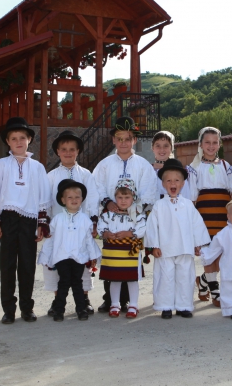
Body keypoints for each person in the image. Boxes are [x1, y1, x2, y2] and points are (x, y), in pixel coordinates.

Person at [0, 117, 51, 324]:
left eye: (22, 138)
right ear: (7, 142)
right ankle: (8, 310)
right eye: (14, 138)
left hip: (29, 220)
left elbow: (43, 197)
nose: (19, 142)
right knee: (7, 265)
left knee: (27, 265)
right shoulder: (0, 165)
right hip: (8, 219)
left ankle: (27, 308)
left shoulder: (37, 167)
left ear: (29, 140)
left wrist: (41, 224)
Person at [92, 116, 159, 313]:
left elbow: (149, 191)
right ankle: (109, 300)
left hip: (132, 221)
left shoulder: (143, 165)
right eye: (119, 138)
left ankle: (128, 300)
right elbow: (97, 187)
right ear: (113, 140)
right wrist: (108, 202)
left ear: (134, 140)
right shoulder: (104, 164)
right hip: (112, 218)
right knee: (112, 259)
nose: (123, 143)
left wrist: (134, 208)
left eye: (128, 138)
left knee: (129, 262)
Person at [43, 130, 100, 316]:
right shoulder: (51, 176)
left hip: (80, 228)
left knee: (82, 262)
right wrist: (45, 224)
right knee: (56, 263)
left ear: (78, 151)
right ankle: (57, 300)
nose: (68, 153)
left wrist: (93, 222)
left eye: (72, 149)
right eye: (64, 149)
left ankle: (84, 298)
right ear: (57, 152)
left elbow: (92, 199)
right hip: (58, 228)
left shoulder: (86, 175)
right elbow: (45, 201)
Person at [186, 126, 232, 306]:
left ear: (219, 144)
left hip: (223, 216)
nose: (211, 146)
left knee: (221, 255)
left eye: (214, 142)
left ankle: (203, 281)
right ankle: (216, 292)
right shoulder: (194, 168)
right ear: (200, 144)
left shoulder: (226, 166)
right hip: (204, 216)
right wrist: (192, 223)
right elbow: (191, 197)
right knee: (208, 254)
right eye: (207, 142)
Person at [146, 158, 210, 319]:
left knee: (185, 277)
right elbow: (152, 227)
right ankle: (165, 306)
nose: (173, 183)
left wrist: (197, 244)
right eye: (168, 180)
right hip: (165, 249)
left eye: (176, 180)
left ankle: (183, 306)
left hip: (185, 248)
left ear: (182, 183)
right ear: (163, 184)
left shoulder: (188, 205)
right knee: (165, 278)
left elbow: (197, 224)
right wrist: (154, 246)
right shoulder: (159, 206)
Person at [38, 179, 101, 322]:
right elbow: (51, 240)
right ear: (63, 200)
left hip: (79, 257)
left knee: (77, 283)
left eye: (77, 197)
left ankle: (81, 309)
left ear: (82, 199)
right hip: (62, 257)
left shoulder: (85, 219)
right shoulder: (57, 219)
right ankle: (59, 311)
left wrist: (93, 257)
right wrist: (46, 257)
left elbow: (89, 240)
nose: (74, 200)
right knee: (63, 283)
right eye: (70, 197)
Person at [97, 179, 147, 318]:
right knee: (115, 278)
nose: (123, 201)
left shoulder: (137, 214)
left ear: (133, 198)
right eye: (120, 197)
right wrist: (105, 233)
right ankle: (115, 304)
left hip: (130, 251)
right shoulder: (108, 214)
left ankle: (133, 305)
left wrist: (130, 233)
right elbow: (101, 225)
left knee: (132, 279)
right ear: (115, 198)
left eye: (127, 197)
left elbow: (143, 228)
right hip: (113, 251)